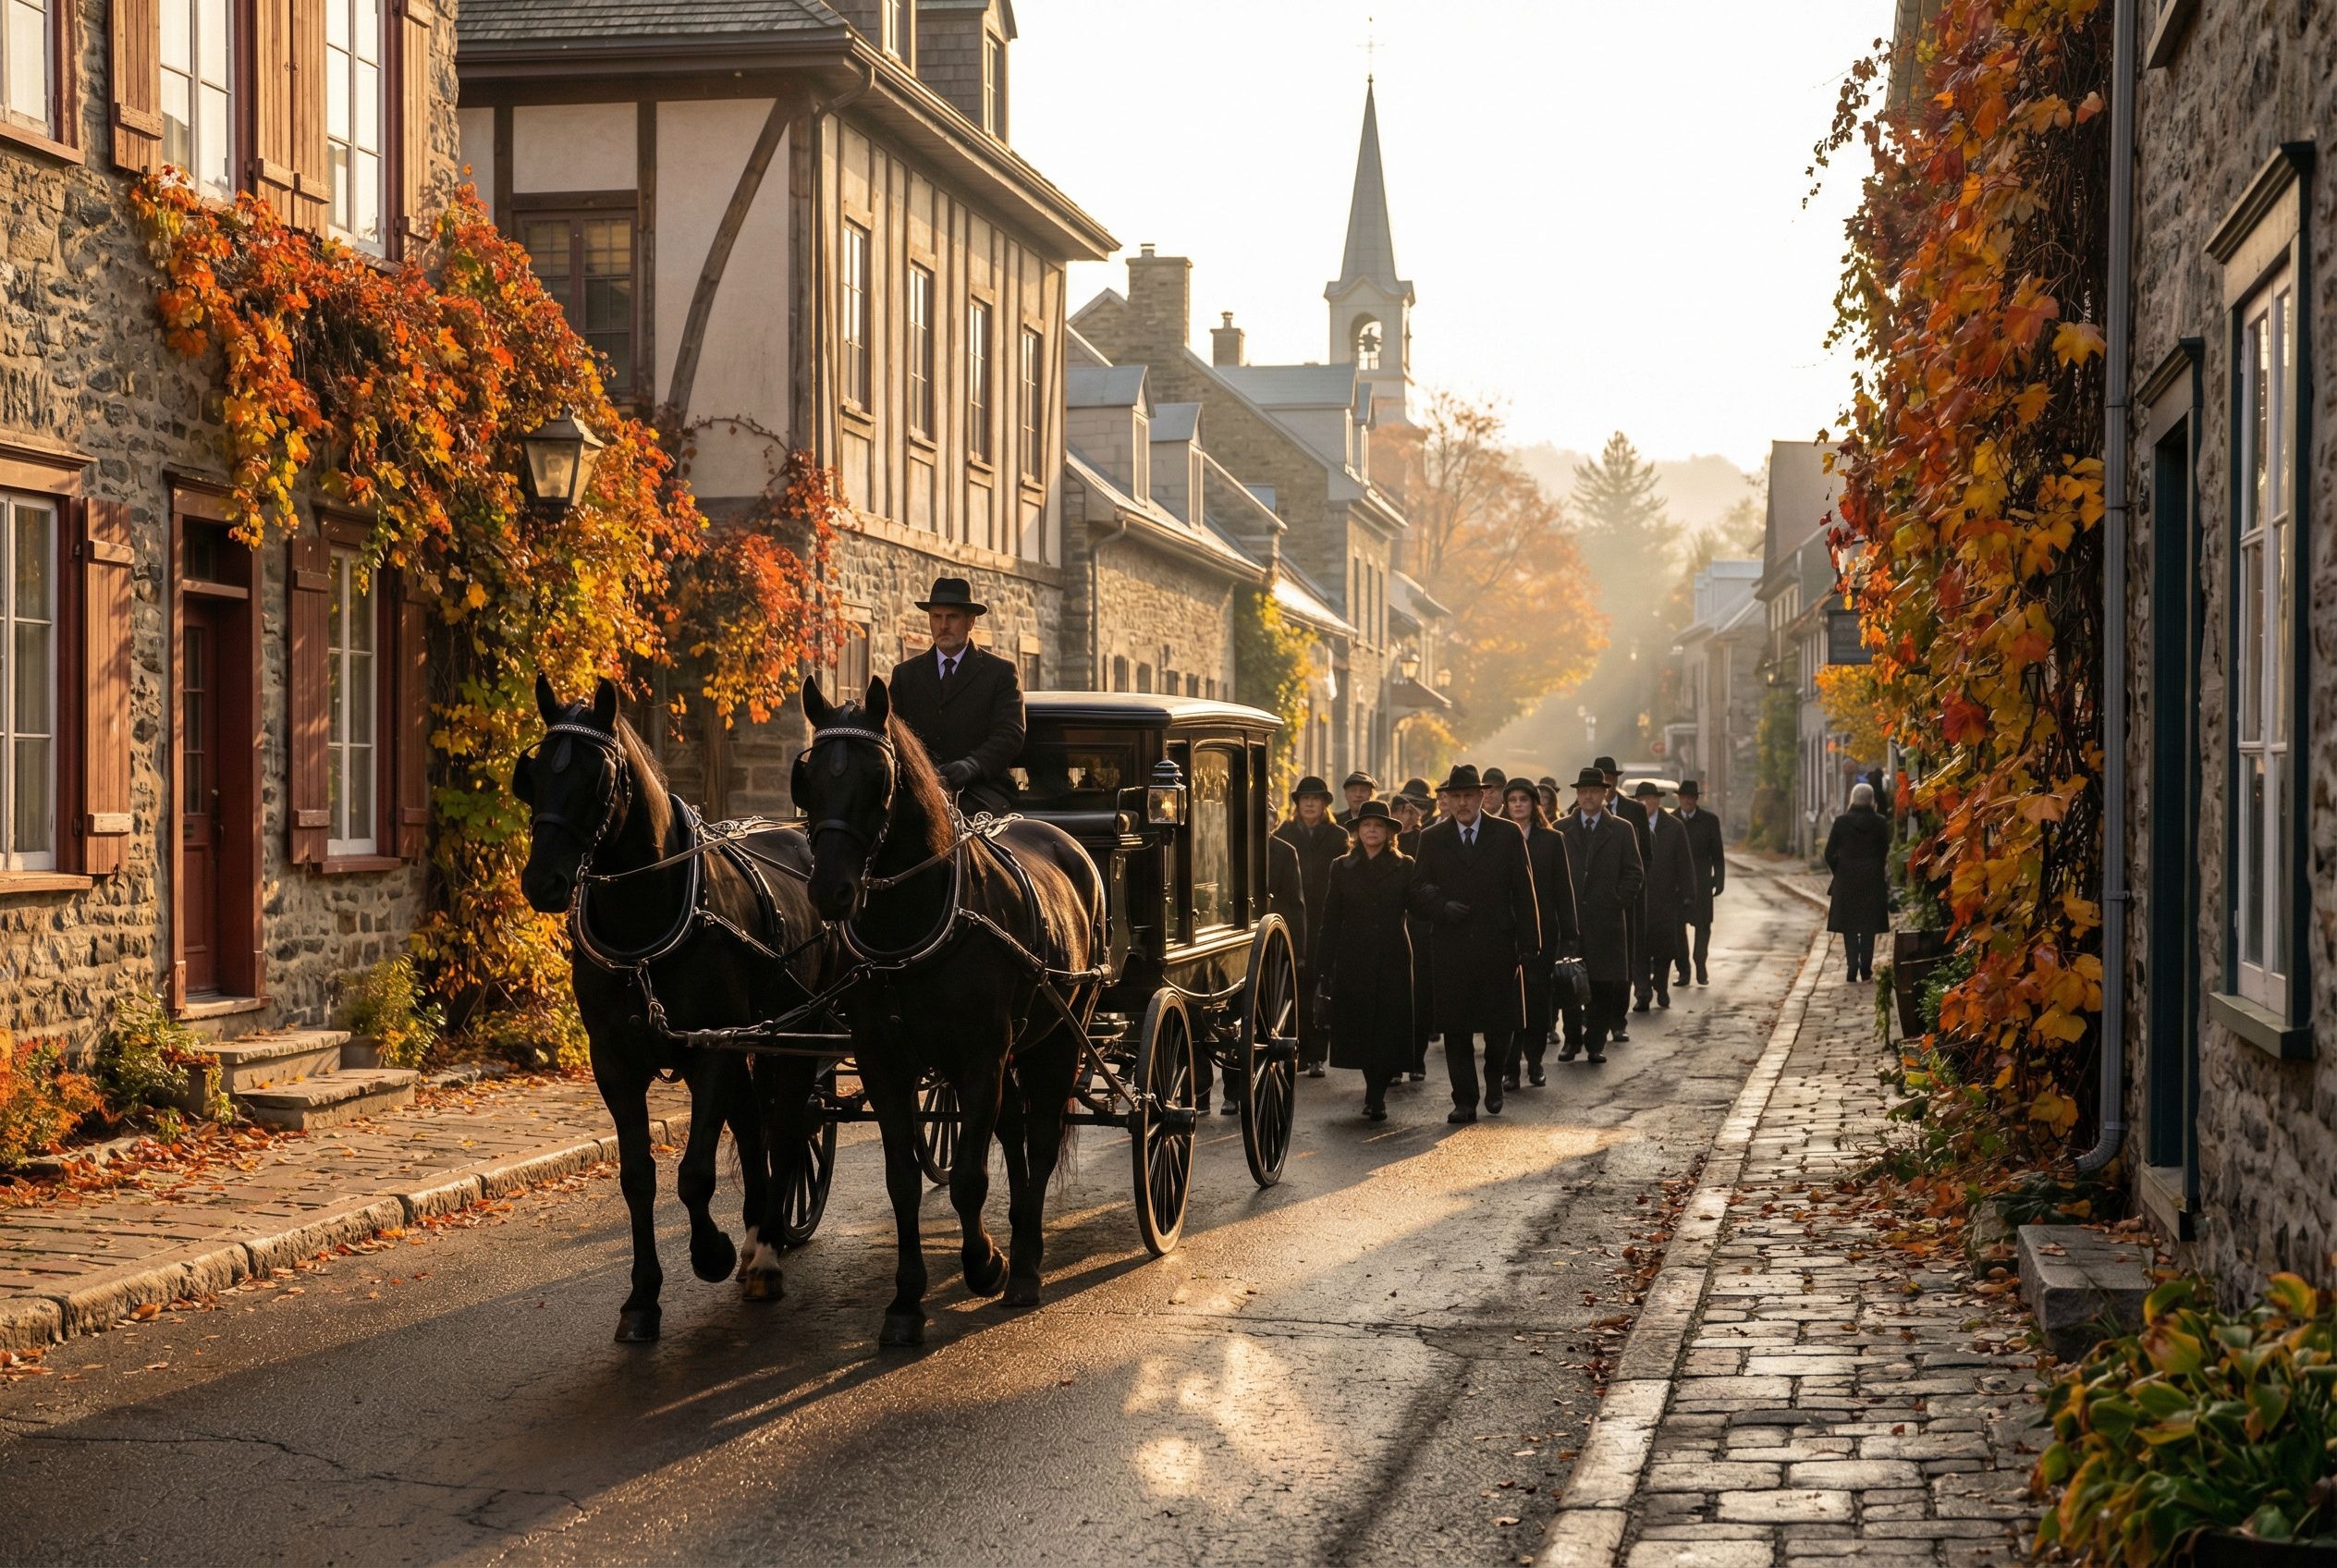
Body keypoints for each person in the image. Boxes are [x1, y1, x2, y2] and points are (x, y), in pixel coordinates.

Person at [1413, 766, 1539, 1123]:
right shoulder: (1433, 837)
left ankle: (1494, 1080)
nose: (1463, 803)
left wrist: (1530, 942)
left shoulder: (1506, 833)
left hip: (1497, 945)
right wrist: (1441, 907)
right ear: (1447, 800)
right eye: (1457, 796)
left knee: (1500, 1025)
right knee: (1456, 1027)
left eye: (1470, 795)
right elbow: (1417, 888)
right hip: (1451, 947)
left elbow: (1524, 891)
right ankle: (1464, 1100)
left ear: (1483, 797)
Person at [1317, 802, 1436, 1121]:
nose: (1372, 830)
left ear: (1389, 833)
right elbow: (1332, 918)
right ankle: (1372, 1087)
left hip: (1393, 954)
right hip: (1354, 956)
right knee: (1362, 1027)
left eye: (1379, 826)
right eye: (1366, 825)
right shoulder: (1341, 867)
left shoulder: (1404, 865)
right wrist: (1323, 965)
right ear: (1356, 831)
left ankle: (1376, 1096)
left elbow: (1419, 908)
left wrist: (1438, 899)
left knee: (1388, 1027)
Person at [886, 577, 1025, 817]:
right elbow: (890, 731)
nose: (943, 626)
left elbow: (1010, 734)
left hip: (981, 790)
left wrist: (972, 766)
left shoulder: (1000, 672)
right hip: (917, 790)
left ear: (970, 622)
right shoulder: (905, 675)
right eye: (936, 617)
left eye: (952, 617)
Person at [1556, 767, 1644, 1061]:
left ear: (1606, 793)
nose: (1588, 796)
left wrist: (1618, 899)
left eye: (1594, 791)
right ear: (1577, 795)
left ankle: (1595, 1043)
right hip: (1570, 919)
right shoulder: (1561, 829)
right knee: (1567, 982)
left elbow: (1634, 870)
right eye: (1582, 792)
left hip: (1606, 920)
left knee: (1604, 985)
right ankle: (1571, 1040)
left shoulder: (1621, 828)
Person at [1500, 779, 1579, 1090]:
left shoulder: (1551, 840)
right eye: (1513, 800)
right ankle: (1510, 1069)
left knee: (1536, 1001)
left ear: (1535, 804)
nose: (1518, 805)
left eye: (1524, 800)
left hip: (1544, 932)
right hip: (1506, 932)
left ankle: (1534, 1063)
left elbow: (1563, 889)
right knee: (1508, 1004)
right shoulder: (1498, 838)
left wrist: (1570, 935)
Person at [1274, 777, 1348, 1075]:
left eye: (1315, 799)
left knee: (1322, 984)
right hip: (1293, 916)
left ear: (1325, 804)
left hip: (1324, 916)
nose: (1309, 804)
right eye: (1304, 799)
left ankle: (1318, 1053)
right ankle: (1298, 1050)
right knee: (1294, 986)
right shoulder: (1285, 833)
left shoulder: (1337, 836)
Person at [1596, 757, 1647, 1042]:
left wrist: (1626, 892)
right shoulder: (1575, 813)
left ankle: (1618, 1020)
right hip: (1591, 904)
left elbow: (1645, 858)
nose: (1608, 781)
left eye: (1611, 776)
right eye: (1602, 777)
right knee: (1593, 965)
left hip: (1624, 902)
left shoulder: (1634, 812)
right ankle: (1595, 1021)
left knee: (1622, 963)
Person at [1633, 780, 1694, 1011]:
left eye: (1651, 799)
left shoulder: (1674, 826)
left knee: (1664, 948)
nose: (1647, 803)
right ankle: (1642, 992)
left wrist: (1688, 894)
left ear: (1658, 801)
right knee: (1638, 949)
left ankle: (1661, 984)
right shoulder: (1630, 826)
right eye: (1642, 800)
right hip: (1638, 897)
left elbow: (1684, 863)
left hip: (1665, 898)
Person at [1824, 781, 1892, 982]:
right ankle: (1866, 968)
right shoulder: (1880, 823)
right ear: (1871, 800)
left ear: (1852, 799)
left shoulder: (1841, 822)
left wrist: (1841, 869)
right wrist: (1875, 868)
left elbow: (1829, 853)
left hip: (1847, 879)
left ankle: (1852, 965)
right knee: (1868, 924)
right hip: (1872, 879)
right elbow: (1884, 850)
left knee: (1850, 924)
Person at [1395, 788, 1435, 1082]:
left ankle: (1416, 1058)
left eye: (1412, 811)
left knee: (1420, 996)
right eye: (1401, 810)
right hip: (1392, 925)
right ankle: (1394, 1060)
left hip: (1420, 926)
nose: (1407, 817)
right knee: (1394, 998)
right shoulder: (1386, 841)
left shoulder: (1426, 840)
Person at [1675, 780, 1726, 986]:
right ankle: (1683, 971)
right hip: (1678, 885)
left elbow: (1718, 854)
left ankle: (1700, 964)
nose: (1687, 800)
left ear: (1696, 799)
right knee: (1678, 929)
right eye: (1684, 797)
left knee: (1703, 926)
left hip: (1703, 882)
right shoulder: (1672, 820)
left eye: (1691, 797)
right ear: (1678, 798)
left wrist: (1719, 880)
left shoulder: (1709, 821)